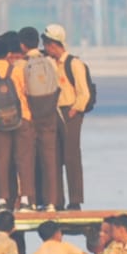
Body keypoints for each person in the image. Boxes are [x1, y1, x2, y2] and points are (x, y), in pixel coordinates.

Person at [0, 33, 36, 210]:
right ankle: (27, 199)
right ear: (8, 53)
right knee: (24, 159)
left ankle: (2, 200)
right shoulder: (18, 70)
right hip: (22, 118)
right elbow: (27, 92)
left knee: (2, 160)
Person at [42, 23, 89, 210]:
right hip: (54, 112)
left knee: (71, 157)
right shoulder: (50, 63)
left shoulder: (74, 64)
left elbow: (84, 93)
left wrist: (74, 110)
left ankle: (75, 200)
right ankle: (57, 200)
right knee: (54, 157)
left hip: (71, 112)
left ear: (53, 44)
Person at [18, 26, 60, 211]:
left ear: (22, 45)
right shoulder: (50, 62)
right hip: (49, 115)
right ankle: (52, 202)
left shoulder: (21, 65)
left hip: (29, 116)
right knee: (49, 160)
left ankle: (30, 201)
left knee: (27, 160)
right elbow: (56, 86)